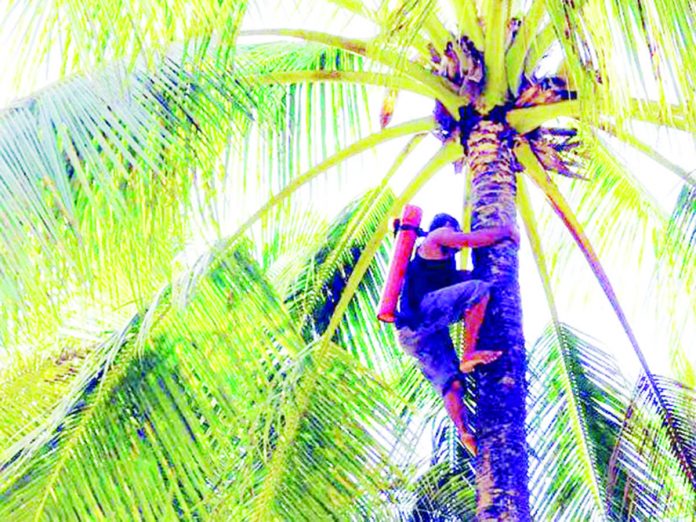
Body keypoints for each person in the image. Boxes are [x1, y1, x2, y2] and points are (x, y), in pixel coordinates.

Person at [395, 213, 519, 454]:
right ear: (447, 227)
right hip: (422, 314)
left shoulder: (445, 270)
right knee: (479, 291)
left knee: (450, 383)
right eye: (455, 230)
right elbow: (473, 241)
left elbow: (470, 276)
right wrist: (505, 233)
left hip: (412, 335)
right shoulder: (437, 236)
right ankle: (469, 353)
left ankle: (464, 432)